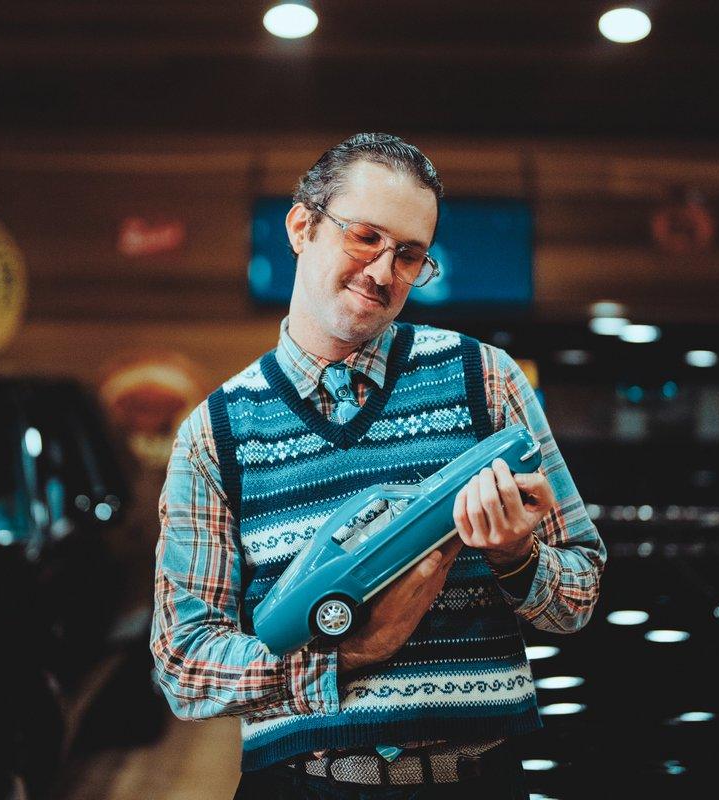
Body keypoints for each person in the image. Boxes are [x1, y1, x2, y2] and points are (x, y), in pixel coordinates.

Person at [151, 132, 606, 799]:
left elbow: (579, 596)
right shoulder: (213, 436)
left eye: (409, 254)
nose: (383, 273)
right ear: (302, 226)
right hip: (305, 786)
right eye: (365, 237)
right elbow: (185, 663)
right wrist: (344, 657)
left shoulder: (485, 379)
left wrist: (517, 556)